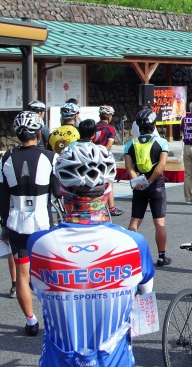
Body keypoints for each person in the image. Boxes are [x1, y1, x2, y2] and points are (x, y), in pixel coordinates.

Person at [29, 141, 155, 366]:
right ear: (108, 189)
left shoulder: (38, 244)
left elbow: (38, 291)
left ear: (61, 189)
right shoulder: (135, 243)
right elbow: (144, 296)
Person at [0, 111, 61, 336]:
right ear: (38, 132)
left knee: (22, 275)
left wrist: (4, 224)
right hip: (43, 225)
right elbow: (57, 191)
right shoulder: (50, 157)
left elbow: (2, 195)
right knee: (49, 273)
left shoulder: (6, 158)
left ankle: (31, 320)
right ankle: (55, 318)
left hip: (17, 224)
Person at [125, 109, 172, 266]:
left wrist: (138, 182)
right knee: (159, 223)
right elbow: (161, 165)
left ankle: (129, 255)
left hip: (139, 186)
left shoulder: (130, 145)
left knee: (134, 222)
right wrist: (151, 181)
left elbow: (129, 167)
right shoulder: (161, 143)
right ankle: (161, 256)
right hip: (156, 186)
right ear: (154, 126)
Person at [90, 105, 124, 217]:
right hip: (104, 158)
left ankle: (94, 206)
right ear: (109, 116)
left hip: (92, 156)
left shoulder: (93, 127)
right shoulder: (110, 128)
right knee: (109, 183)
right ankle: (112, 208)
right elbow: (108, 145)